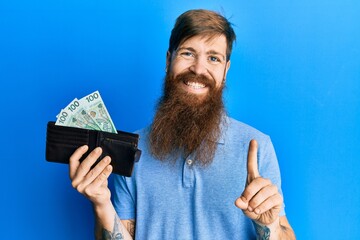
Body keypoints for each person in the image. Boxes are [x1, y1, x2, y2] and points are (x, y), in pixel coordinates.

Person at [69, 9, 296, 239]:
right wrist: (101, 204)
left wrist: (270, 226)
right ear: (169, 60)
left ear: (226, 70)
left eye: (213, 58)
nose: (198, 69)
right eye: (188, 53)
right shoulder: (132, 151)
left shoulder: (257, 148)